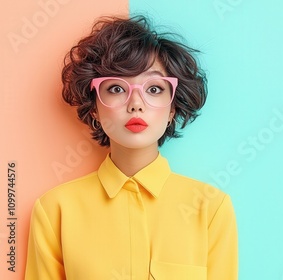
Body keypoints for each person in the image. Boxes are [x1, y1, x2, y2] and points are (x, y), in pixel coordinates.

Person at [25, 15, 238, 280]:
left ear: (172, 108)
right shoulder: (56, 210)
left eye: (154, 89)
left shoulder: (211, 208)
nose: (136, 103)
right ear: (94, 107)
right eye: (116, 88)